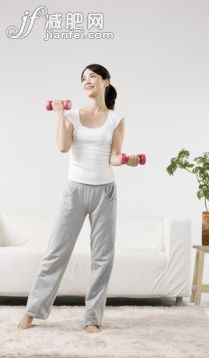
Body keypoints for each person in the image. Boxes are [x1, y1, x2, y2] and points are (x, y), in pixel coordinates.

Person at [17, 63, 140, 333]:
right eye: (83, 78)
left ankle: (92, 318)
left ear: (105, 82)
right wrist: (59, 113)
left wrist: (127, 160)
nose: (87, 81)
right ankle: (32, 311)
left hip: (105, 193)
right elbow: (63, 147)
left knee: (102, 258)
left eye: (92, 76)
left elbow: (114, 156)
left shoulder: (116, 119)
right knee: (55, 253)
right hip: (74, 191)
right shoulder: (71, 114)